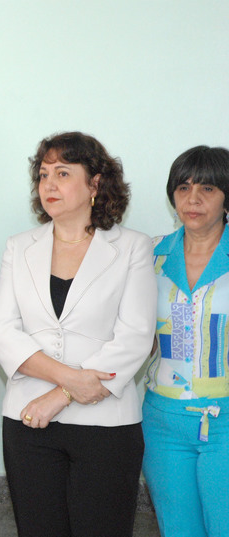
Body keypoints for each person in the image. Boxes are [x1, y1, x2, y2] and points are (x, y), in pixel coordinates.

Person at [0, 132, 156, 537]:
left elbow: (135, 337)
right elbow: (4, 335)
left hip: (107, 424)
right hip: (28, 422)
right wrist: (69, 380)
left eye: (63, 173)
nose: (49, 184)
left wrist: (61, 395)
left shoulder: (132, 247)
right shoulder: (18, 247)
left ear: (95, 183)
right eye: (44, 174)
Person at [142, 146, 229, 537]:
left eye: (207, 189)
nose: (192, 199)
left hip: (224, 421)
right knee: (178, 529)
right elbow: (136, 335)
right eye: (183, 187)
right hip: (162, 422)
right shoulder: (150, 255)